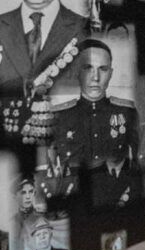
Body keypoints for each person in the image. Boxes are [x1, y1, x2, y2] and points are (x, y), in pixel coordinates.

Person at [52, 39, 138, 169]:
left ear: (111, 73)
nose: (95, 77)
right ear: (77, 71)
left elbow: (137, 162)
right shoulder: (59, 116)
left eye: (103, 69)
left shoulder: (128, 112)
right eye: (88, 68)